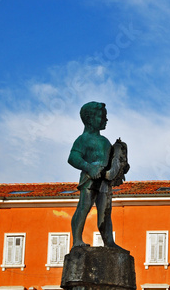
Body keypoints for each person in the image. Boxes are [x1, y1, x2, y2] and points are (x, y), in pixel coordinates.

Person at [68, 101, 123, 249]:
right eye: (102, 116)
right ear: (89, 119)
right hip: (89, 179)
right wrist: (89, 167)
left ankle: (109, 242)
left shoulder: (105, 142)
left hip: (105, 180)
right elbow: (73, 158)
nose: (106, 120)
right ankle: (77, 241)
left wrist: (119, 152)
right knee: (84, 207)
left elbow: (114, 162)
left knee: (105, 211)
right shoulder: (82, 140)